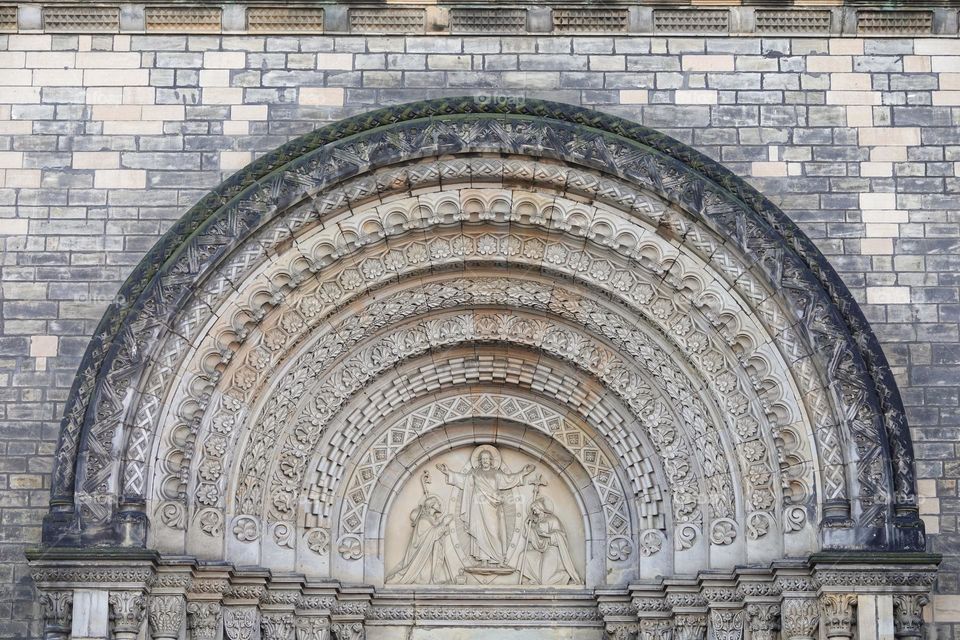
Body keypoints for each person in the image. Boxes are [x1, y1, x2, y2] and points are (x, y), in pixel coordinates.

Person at [436, 445, 535, 568]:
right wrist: (448, 472)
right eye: (483, 459)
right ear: (480, 461)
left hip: (493, 508)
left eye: (487, 459)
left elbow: (509, 479)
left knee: (495, 532)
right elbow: (463, 481)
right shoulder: (475, 473)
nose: (485, 461)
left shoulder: (496, 474)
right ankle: (483, 560)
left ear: (491, 461)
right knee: (479, 532)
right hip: (477, 508)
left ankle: (499, 559)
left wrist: (523, 473)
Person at [387, 494, 456, 584]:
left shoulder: (433, 520)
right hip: (422, 559)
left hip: (430, 555)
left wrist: (443, 528)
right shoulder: (423, 521)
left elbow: (437, 534)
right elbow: (432, 535)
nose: (440, 504)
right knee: (424, 577)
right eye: (437, 503)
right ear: (432, 506)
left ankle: (435, 578)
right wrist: (444, 523)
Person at [521, 496, 581, 585]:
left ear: (540, 507)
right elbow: (532, 537)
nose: (534, 511)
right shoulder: (536, 523)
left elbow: (561, 535)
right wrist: (527, 525)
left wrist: (548, 535)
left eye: (535, 509)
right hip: (540, 549)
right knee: (524, 556)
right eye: (533, 510)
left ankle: (565, 576)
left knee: (546, 582)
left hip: (551, 549)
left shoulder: (552, 519)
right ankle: (534, 579)